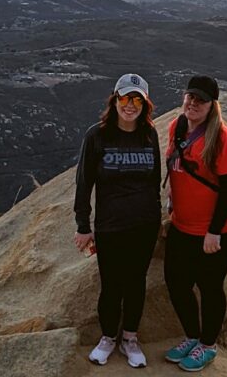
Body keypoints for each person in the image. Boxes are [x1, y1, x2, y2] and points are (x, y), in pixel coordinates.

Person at [74, 73, 161, 368]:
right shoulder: (97, 136)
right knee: (111, 286)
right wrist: (83, 226)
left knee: (136, 284)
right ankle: (108, 337)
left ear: (145, 105)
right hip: (110, 227)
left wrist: (158, 219)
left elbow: (154, 181)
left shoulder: (150, 135)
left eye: (137, 99)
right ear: (115, 100)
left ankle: (130, 340)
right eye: (125, 98)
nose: (130, 105)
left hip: (144, 225)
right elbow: (84, 183)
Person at [164, 75, 227, 372]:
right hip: (182, 225)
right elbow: (176, 164)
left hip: (219, 230)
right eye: (190, 97)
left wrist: (214, 232)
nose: (193, 103)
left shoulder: (223, 139)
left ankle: (208, 346)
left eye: (201, 100)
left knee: (210, 286)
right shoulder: (177, 126)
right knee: (176, 282)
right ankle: (192, 336)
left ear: (212, 106)